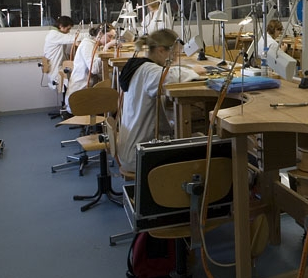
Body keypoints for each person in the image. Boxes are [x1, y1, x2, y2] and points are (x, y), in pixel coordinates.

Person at [117, 29, 206, 174]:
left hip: (131, 150)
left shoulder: (140, 67)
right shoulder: (150, 72)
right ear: (160, 51)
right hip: (139, 155)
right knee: (203, 142)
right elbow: (169, 76)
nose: (176, 60)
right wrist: (193, 71)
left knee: (195, 137)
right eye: (175, 55)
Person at [65, 24, 117, 112]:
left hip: (86, 91)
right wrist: (106, 48)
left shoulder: (94, 44)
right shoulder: (87, 45)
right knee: (114, 97)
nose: (110, 40)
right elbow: (94, 69)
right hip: (79, 96)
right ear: (100, 33)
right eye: (109, 37)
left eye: (112, 38)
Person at [43, 15, 78, 90]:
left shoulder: (56, 33)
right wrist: (92, 35)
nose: (68, 31)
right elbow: (73, 38)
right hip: (55, 71)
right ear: (61, 26)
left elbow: (71, 37)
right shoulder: (54, 35)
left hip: (58, 68)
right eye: (68, 29)